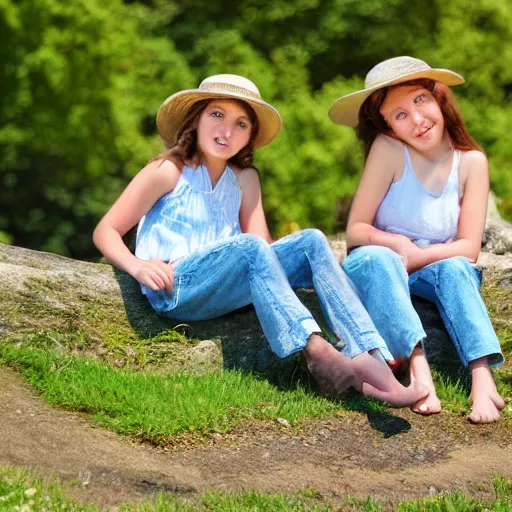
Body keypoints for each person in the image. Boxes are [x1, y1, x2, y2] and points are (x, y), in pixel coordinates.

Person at [93, 73, 426, 406]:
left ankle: (370, 357)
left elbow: (264, 249)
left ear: (250, 136)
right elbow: (105, 230)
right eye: (217, 115)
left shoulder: (245, 179)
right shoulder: (168, 170)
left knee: (310, 240)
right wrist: (138, 267)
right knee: (251, 248)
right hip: (176, 286)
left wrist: (307, 268)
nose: (227, 130)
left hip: (227, 281)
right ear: (196, 119)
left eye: (241, 124)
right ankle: (319, 354)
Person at [328, 56, 505, 422]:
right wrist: (398, 247)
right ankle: (417, 369)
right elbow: (357, 231)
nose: (417, 120)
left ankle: (482, 378)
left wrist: (415, 257)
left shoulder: (471, 162)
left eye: (419, 101)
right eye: (400, 115)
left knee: (457, 268)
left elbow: (469, 246)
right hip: (380, 260)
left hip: (430, 265)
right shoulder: (389, 150)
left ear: (438, 97)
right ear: (387, 126)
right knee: (378, 260)